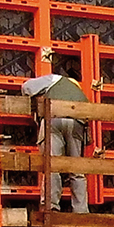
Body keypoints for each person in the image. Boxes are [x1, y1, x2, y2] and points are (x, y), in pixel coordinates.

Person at [21, 73, 91, 213]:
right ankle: (81, 210)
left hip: (53, 120)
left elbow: (26, 86)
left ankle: (50, 206)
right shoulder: (82, 95)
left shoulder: (55, 79)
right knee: (77, 169)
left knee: (52, 165)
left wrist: (31, 103)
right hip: (77, 123)